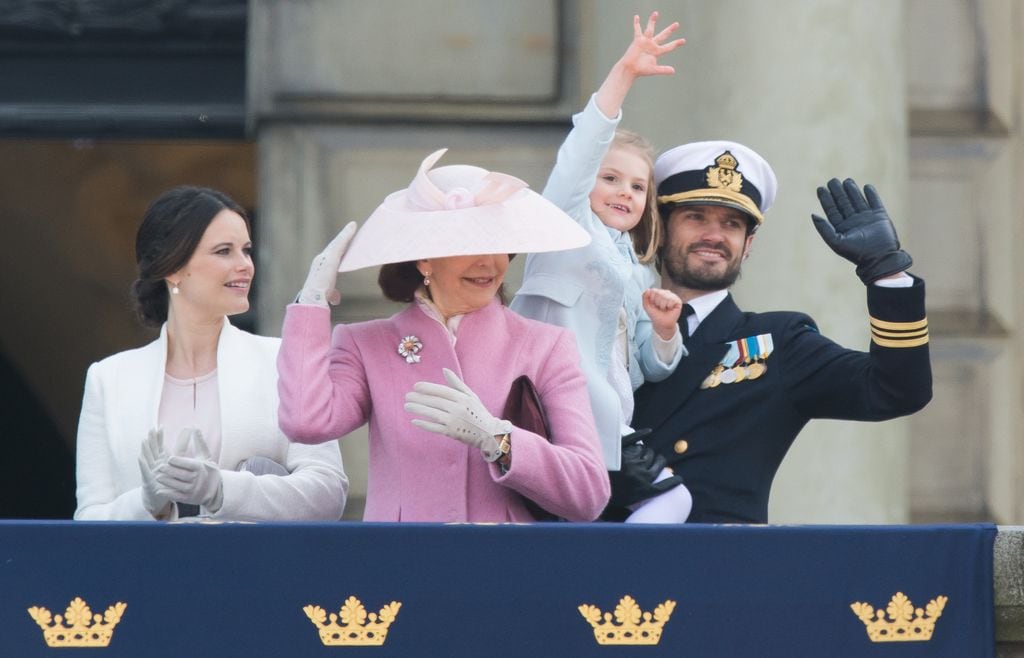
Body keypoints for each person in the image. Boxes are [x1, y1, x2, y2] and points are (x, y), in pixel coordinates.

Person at [276, 149, 611, 523]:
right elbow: (304, 422)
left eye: (498, 244)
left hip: (506, 570)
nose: (489, 263)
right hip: (401, 568)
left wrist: (498, 439)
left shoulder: (545, 346)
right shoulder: (367, 344)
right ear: (424, 258)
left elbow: (588, 493)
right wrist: (311, 303)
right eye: (469, 245)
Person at [625, 141, 933, 524]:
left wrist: (886, 272)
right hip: (597, 555)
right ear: (660, 227)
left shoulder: (778, 342)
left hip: (717, 567)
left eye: (732, 224)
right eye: (696, 217)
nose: (714, 235)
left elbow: (897, 390)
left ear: (748, 244)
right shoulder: (613, 323)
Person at [510, 13, 691, 523]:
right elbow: (580, 151)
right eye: (610, 177)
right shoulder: (562, 225)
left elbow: (649, 369)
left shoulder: (640, 272)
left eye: (637, 186)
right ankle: (621, 578)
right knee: (666, 499)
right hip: (554, 415)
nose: (624, 192)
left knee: (619, 514)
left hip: (608, 424)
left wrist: (663, 330)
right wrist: (625, 75)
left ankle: (611, 585)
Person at [74, 186, 348, 521]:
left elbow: (328, 491)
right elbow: (88, 520)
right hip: (149, 570)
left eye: (246, 250)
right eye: (224, 251)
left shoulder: (281, 361)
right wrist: (147, 502)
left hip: (257, 569)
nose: (245, 265)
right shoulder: (109, 379)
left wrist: (222, 488)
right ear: (173, 268)